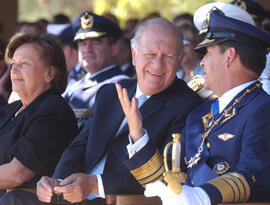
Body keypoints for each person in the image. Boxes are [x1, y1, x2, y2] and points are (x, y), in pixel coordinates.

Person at [1, 17, 202, 205]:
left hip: (119, 199)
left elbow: (170, 178)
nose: (157, 65)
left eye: (167, 56)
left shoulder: (188, 105)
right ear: (134, 55)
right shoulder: (111, 93)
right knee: (15, 199)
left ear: (180, 58)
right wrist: (58, 181)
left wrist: (96, 184)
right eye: (150, 55)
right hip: (73, 196)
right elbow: (79, 146)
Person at [123, 9, 270, 204]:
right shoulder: (200, 113)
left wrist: (203, 195)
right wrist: (138, 135)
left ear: (229, 56)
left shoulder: (262, 109)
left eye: (207, 53)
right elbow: (169, 179)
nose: (202, 62)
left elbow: (255, 175)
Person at [0, 32, 78, 198]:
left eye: (24, 64)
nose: (14, 69)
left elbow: (18, 173)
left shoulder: (54, 111)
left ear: (48, 74)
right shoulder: (12, 109)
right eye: (13, 63)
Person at [62, 11, 129, 109]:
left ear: (114, 49)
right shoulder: (75, 86)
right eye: (82, 43)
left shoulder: (121, 86)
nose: (88, 49)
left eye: (96, 42)